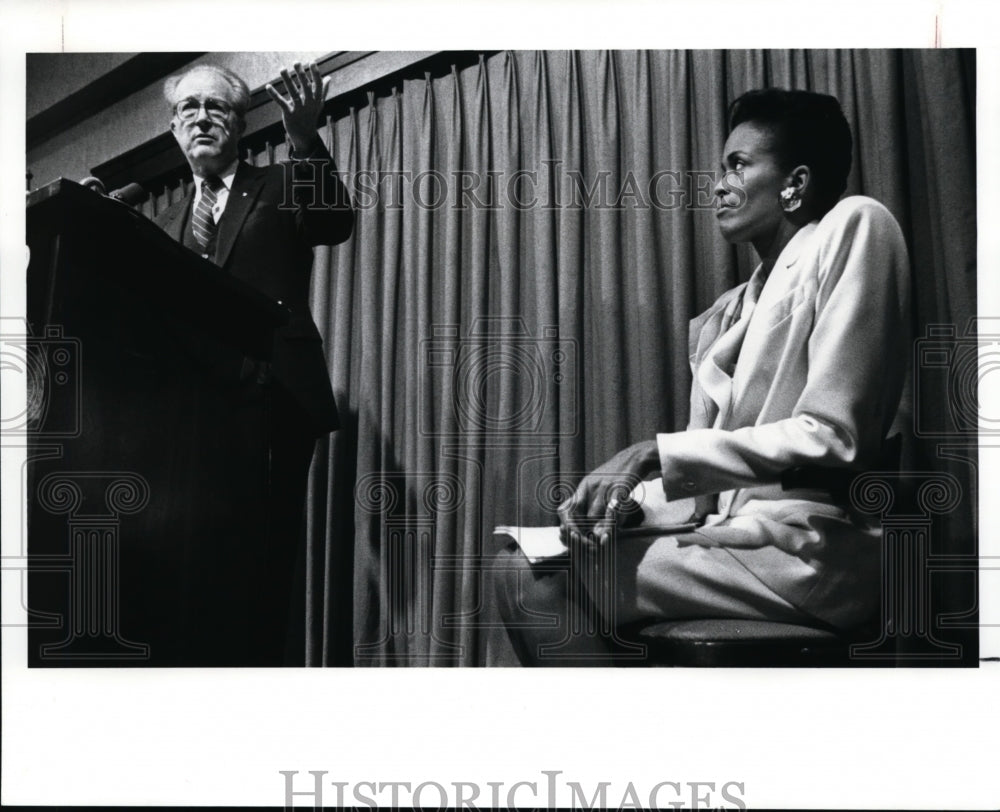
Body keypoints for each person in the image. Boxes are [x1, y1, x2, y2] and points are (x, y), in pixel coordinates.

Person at [494, 88, 911, 666]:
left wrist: (650, 453)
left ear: (794, 183)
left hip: (813, 548)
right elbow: (703, 485)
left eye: (738, 165)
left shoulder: (855, 225)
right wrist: (625, 504)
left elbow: (834, 434)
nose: (718, 185)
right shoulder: (728, 311)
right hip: (732, 536)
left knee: (534, 578)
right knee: (520, 560)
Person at [153, 62, 353, 664]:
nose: (201, 119)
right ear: (174, 129)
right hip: (187, 417)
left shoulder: (280, 182)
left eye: (216, 107)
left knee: (264, 561)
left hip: (274, 401)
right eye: (189, 109)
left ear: (240, 124)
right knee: (195, 565)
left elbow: (333, 223)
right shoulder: (162, 223)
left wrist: (304, 141)